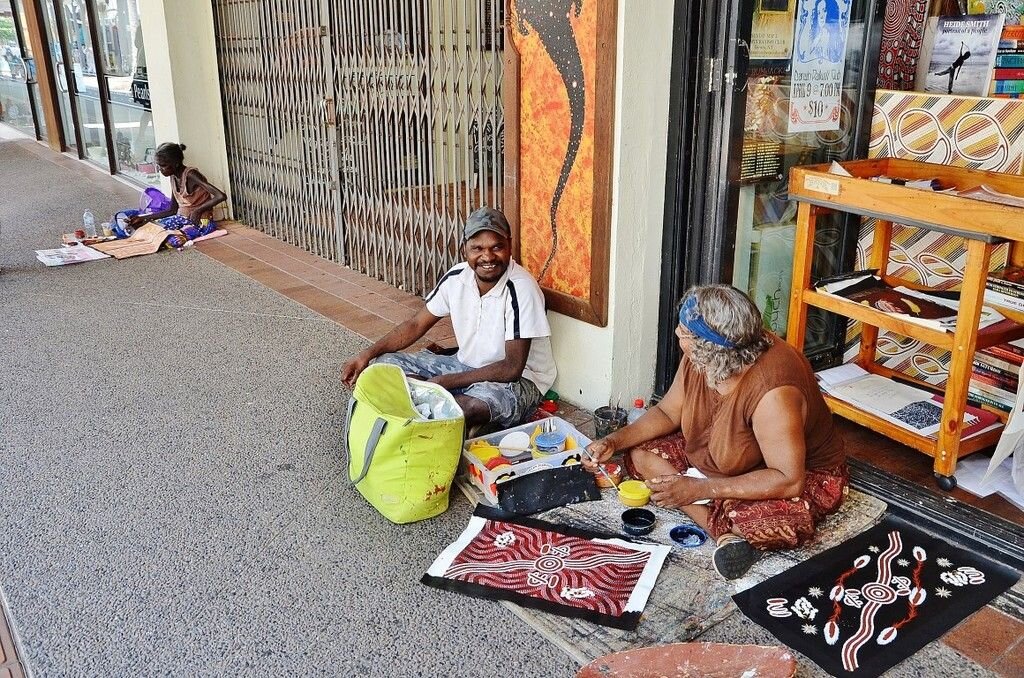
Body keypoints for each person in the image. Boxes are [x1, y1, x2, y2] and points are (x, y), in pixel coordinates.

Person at [584, 285, 847, 580]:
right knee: (641, 455)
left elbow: (788, 480)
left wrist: (702, 489)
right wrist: (613, 440)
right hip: (717, 459)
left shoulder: (774, 393)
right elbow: (668, 412)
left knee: (765, 520)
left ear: (708, 349)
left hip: (787, 473)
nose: (676, 334)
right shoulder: (703, 356)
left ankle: (725, 526)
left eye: (683, 332)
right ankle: (724, 532)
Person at [340, 207, 557, 429]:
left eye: (497, 247)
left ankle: (443, 407)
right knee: (384, 366)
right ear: (465, 249)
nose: (488, 257)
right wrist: (365, 355)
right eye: (477, 248)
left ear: (510, 245)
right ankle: (438, 405)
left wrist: (444, 382)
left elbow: (512, 368)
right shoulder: (457, 278)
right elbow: (415, 325)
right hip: (464, 366)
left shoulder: (521, 289)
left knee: (469, 406)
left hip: (519, 382)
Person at [127, 142, 227, 242]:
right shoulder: (173, 176)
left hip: (200, 221)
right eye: (159, 165)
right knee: (146, 227)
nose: (160, 169)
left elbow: (220, 196)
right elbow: (172, 210)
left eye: (163, 166)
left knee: (163, 236)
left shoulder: (191, 175)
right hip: (181, 218)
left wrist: (198, 210)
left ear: (176, 163)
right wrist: (143, 218)